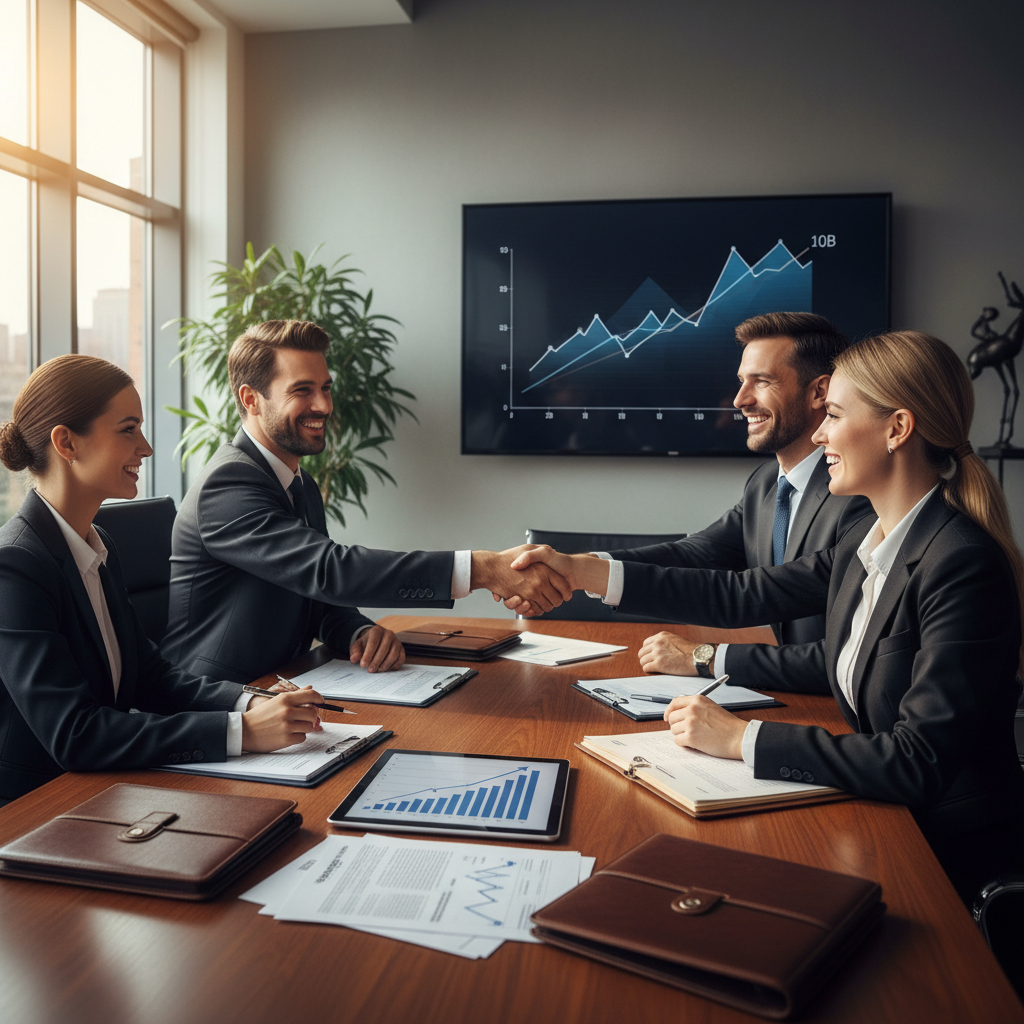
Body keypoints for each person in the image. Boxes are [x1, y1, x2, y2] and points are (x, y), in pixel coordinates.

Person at [510, 331, 1024, 901]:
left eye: (834, 415)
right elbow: (748, 599)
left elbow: (916, 761)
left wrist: (742, 738)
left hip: (951, 857)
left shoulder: (961, 564)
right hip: (882, 814)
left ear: (897, 429)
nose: (821, 434)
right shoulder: (870, 544)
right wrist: (583, 572)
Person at [162, 320, 569, 683]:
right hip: (213, 704)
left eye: (325, 388)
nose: (324, 406)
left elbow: (316, 598)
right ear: (251, 399)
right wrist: (481, 568)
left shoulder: (298, 483)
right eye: (302, 390)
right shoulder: (227, 484)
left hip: (283, 688)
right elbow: (329, 570)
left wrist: (360, 632)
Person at [0, 355, 327, 803]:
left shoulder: (98, 543)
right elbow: (75, 734)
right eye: (128, 429)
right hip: (37, 806)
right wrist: (242, 731)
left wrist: (251, 702)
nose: (147, 448)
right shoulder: (15, 565)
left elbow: (150, 676)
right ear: (66, 443)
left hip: (104, 788)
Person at [507, 312, 872, 687]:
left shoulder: (861, 495)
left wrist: (703, 657)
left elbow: (747, 597)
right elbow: (695, 554)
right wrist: (574, 566)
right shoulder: (765, 484)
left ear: (819, 392)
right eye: (741, 381)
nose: (740, 400)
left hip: (839, 706)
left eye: (762, 381)